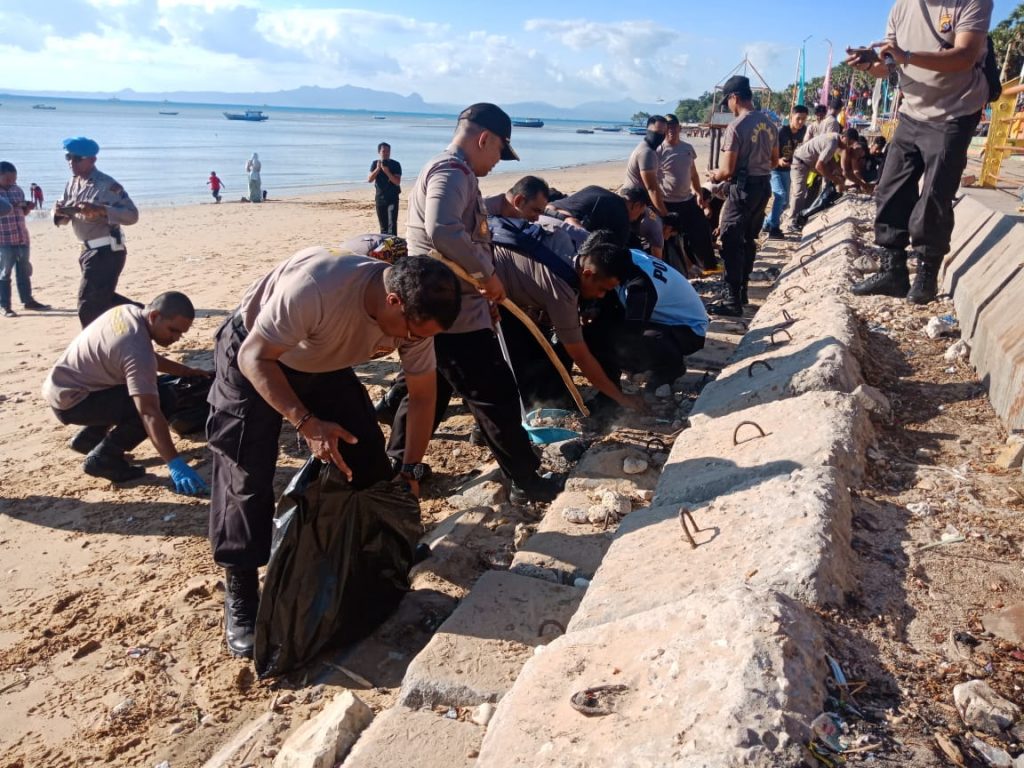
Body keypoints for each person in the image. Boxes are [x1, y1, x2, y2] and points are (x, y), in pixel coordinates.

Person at [206, 250, 461, 658]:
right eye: (411, 334)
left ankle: (381, 548)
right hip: (255, 353)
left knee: (367, 452)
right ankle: (241, 587)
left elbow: (422, 395)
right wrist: (307, 423)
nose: (411, 342)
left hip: (321, 360)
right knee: (246, 473)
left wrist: (411, 468)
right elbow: (254, 357)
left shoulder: (416, 320)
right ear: (393, 301)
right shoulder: (316, 289)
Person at [385, 102, 562, 506]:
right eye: (500, 151)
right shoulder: (451, 172)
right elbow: (443, 231)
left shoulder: (453, 172)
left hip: (448, 306)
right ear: (485, 139)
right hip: (450, 311)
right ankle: (526, 479)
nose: (498, 161)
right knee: (494, 393)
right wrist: (487, 275)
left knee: (432, 388)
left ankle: (396, 466)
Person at [848, 0, 992, 304]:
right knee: (890, 188)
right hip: (911, 112)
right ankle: (893, 271)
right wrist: (869, 64)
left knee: (934, 196)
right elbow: (887, 66)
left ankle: (927, 273)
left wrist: (907, 56)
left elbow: (965, 56)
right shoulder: (902, 7)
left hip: (955, 112)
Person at [41, 292, 209, 491]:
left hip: (63, 388)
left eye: (181, 333)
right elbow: (149, 412)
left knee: (141, 384)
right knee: (163, 399)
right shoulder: (137, 350)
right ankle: (104, 459)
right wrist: (175, 463)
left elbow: (144, 357)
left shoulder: (127, 312)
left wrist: (185, 371)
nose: (176, 338)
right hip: (75, 402)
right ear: (154, 316)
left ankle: (89, 438)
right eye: (172, 330)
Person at [585, 233, 709, 399]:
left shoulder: (640, 286)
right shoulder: (629, 258)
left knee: (621, 341)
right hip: (669, 321)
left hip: (690, 331)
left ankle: (670, 368)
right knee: (605, 329)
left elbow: (632, 330)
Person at [706, 76, 778, 316]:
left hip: (742, 190)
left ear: (734, 97)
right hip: (763, 187)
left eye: (727, 101)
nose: (728, 107)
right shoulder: (769, 124)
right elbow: (774, 161)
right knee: (748, 240)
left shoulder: (736, 127)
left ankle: (731, 300)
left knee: (730, 240)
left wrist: (714, 176)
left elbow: (727, 170)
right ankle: (743, 291)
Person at [54, 137, 140, 328]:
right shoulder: (73, 183)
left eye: (77, 158)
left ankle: (91, 343)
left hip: (106, 251)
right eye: (68, 157)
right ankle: (147, 315)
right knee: (103, 299)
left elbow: (132, 215)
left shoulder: (107, 185)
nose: (71, 162)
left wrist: (102, 210)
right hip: (87, 251)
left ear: (92, 160)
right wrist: (58, 213)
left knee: (87, 304)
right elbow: (64, 216)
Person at [659, 114, 716, 270]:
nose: (671, 130)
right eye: (668, 127)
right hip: (667, 202)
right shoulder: (658, 150)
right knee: (669, 235)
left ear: (679, 128)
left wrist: (698, 194)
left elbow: (694, 174)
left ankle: (708, 266)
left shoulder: (687, 148)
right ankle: (678, 267)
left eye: (674, 126)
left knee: (702, 229)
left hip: (687, 200)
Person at [544, 185, 662, 256]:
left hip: (544, 213)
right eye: (640, 213)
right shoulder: (623, 218)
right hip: (563, 232)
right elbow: (614, 254)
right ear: (637, 205)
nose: (637, 218)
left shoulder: (595, 188)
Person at [0, 162, 50, 316]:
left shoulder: (17, 190)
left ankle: (28, 301)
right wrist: (12, 206)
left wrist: (27, 208)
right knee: (4, 273)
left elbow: (23, 213)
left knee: (24, 271)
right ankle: (5, 306)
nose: (11, 182)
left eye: (14, 179)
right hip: (4, 239)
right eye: (8, 179)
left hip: (21, 237)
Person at [787, 128, 858, 230]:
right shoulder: (832, 143)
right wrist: (835, 179)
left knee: (829, 176)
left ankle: (804, 215)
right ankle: (792, 222)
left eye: (850, 145)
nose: (848, 147)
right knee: (799, 192)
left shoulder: (835, 138)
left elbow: (830, 159)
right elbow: (819, 166)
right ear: (844, 137)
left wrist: (837, 172)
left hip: (808, 162)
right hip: (800, 162)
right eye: (848, 143)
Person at [763, 105, 808, 239]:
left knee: (785, 203)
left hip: (787, 170)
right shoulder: (781, 132)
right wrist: (778, 160)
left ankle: (766, 223)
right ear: (791, 117)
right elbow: (766, 151)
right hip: (774, 169)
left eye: (803, 119)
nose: (800, 122)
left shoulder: (803, 131)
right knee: (780, 194)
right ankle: (774, 229)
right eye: (798, 118)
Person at [624, 115, 668, 217]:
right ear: (648, 130)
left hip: (638, 201)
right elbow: (651, 188)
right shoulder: (647, 152)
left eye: (663, 132)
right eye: (657, 132)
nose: (661, 135)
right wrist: (664, 214)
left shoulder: (647, 148)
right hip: (634, 205)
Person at [368, 142, 402, 235]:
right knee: (383, 227)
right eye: (384, 151)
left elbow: (397, 182)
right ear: (379, 152)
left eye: (388, 151)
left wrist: (386, 171)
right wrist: (377, 169)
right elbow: (370, 179)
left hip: (393, 198)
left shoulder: (396, 164)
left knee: (392, 224)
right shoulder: (375, 164)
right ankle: (385, 243)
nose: (386, 153)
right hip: (380, 198)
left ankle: (393, 243)